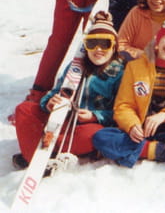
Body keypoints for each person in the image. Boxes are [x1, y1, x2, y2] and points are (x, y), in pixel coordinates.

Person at [12, 12, 124, 169]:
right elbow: (57, 91)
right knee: (24, 109)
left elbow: (120, 112)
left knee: (94, 135)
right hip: (63, 121)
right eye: (92, 43)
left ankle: (46, 145)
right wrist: (49, 103)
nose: (98, 49)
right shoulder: (76, 67)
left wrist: (94, 116)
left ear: (114, 47)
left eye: (105, 44)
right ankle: (34, 158)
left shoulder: (119, 74)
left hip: (87, 127)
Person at [93, 14, 165, 168]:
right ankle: (159, 150)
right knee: (102, 137)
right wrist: (132, 125)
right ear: (158, 39)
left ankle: (137, 149)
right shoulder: (135, 66)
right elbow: (123, 105)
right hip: (141, 129)